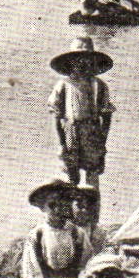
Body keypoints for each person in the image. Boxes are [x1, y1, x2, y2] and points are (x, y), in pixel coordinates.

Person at [49, 38, 116, 191]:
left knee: (92, 172)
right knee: (71, 173)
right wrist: (61, 144)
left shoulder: (99, 86)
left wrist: (102, 143)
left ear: (92, 63)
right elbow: (57, 116)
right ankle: (72, 201)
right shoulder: (63, 85)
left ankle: (92, 202)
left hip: (92, 132)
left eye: (86, 60)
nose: (82, 64)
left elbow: (107, 116)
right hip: (70, 131)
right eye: (77, 60)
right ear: (70, 63)